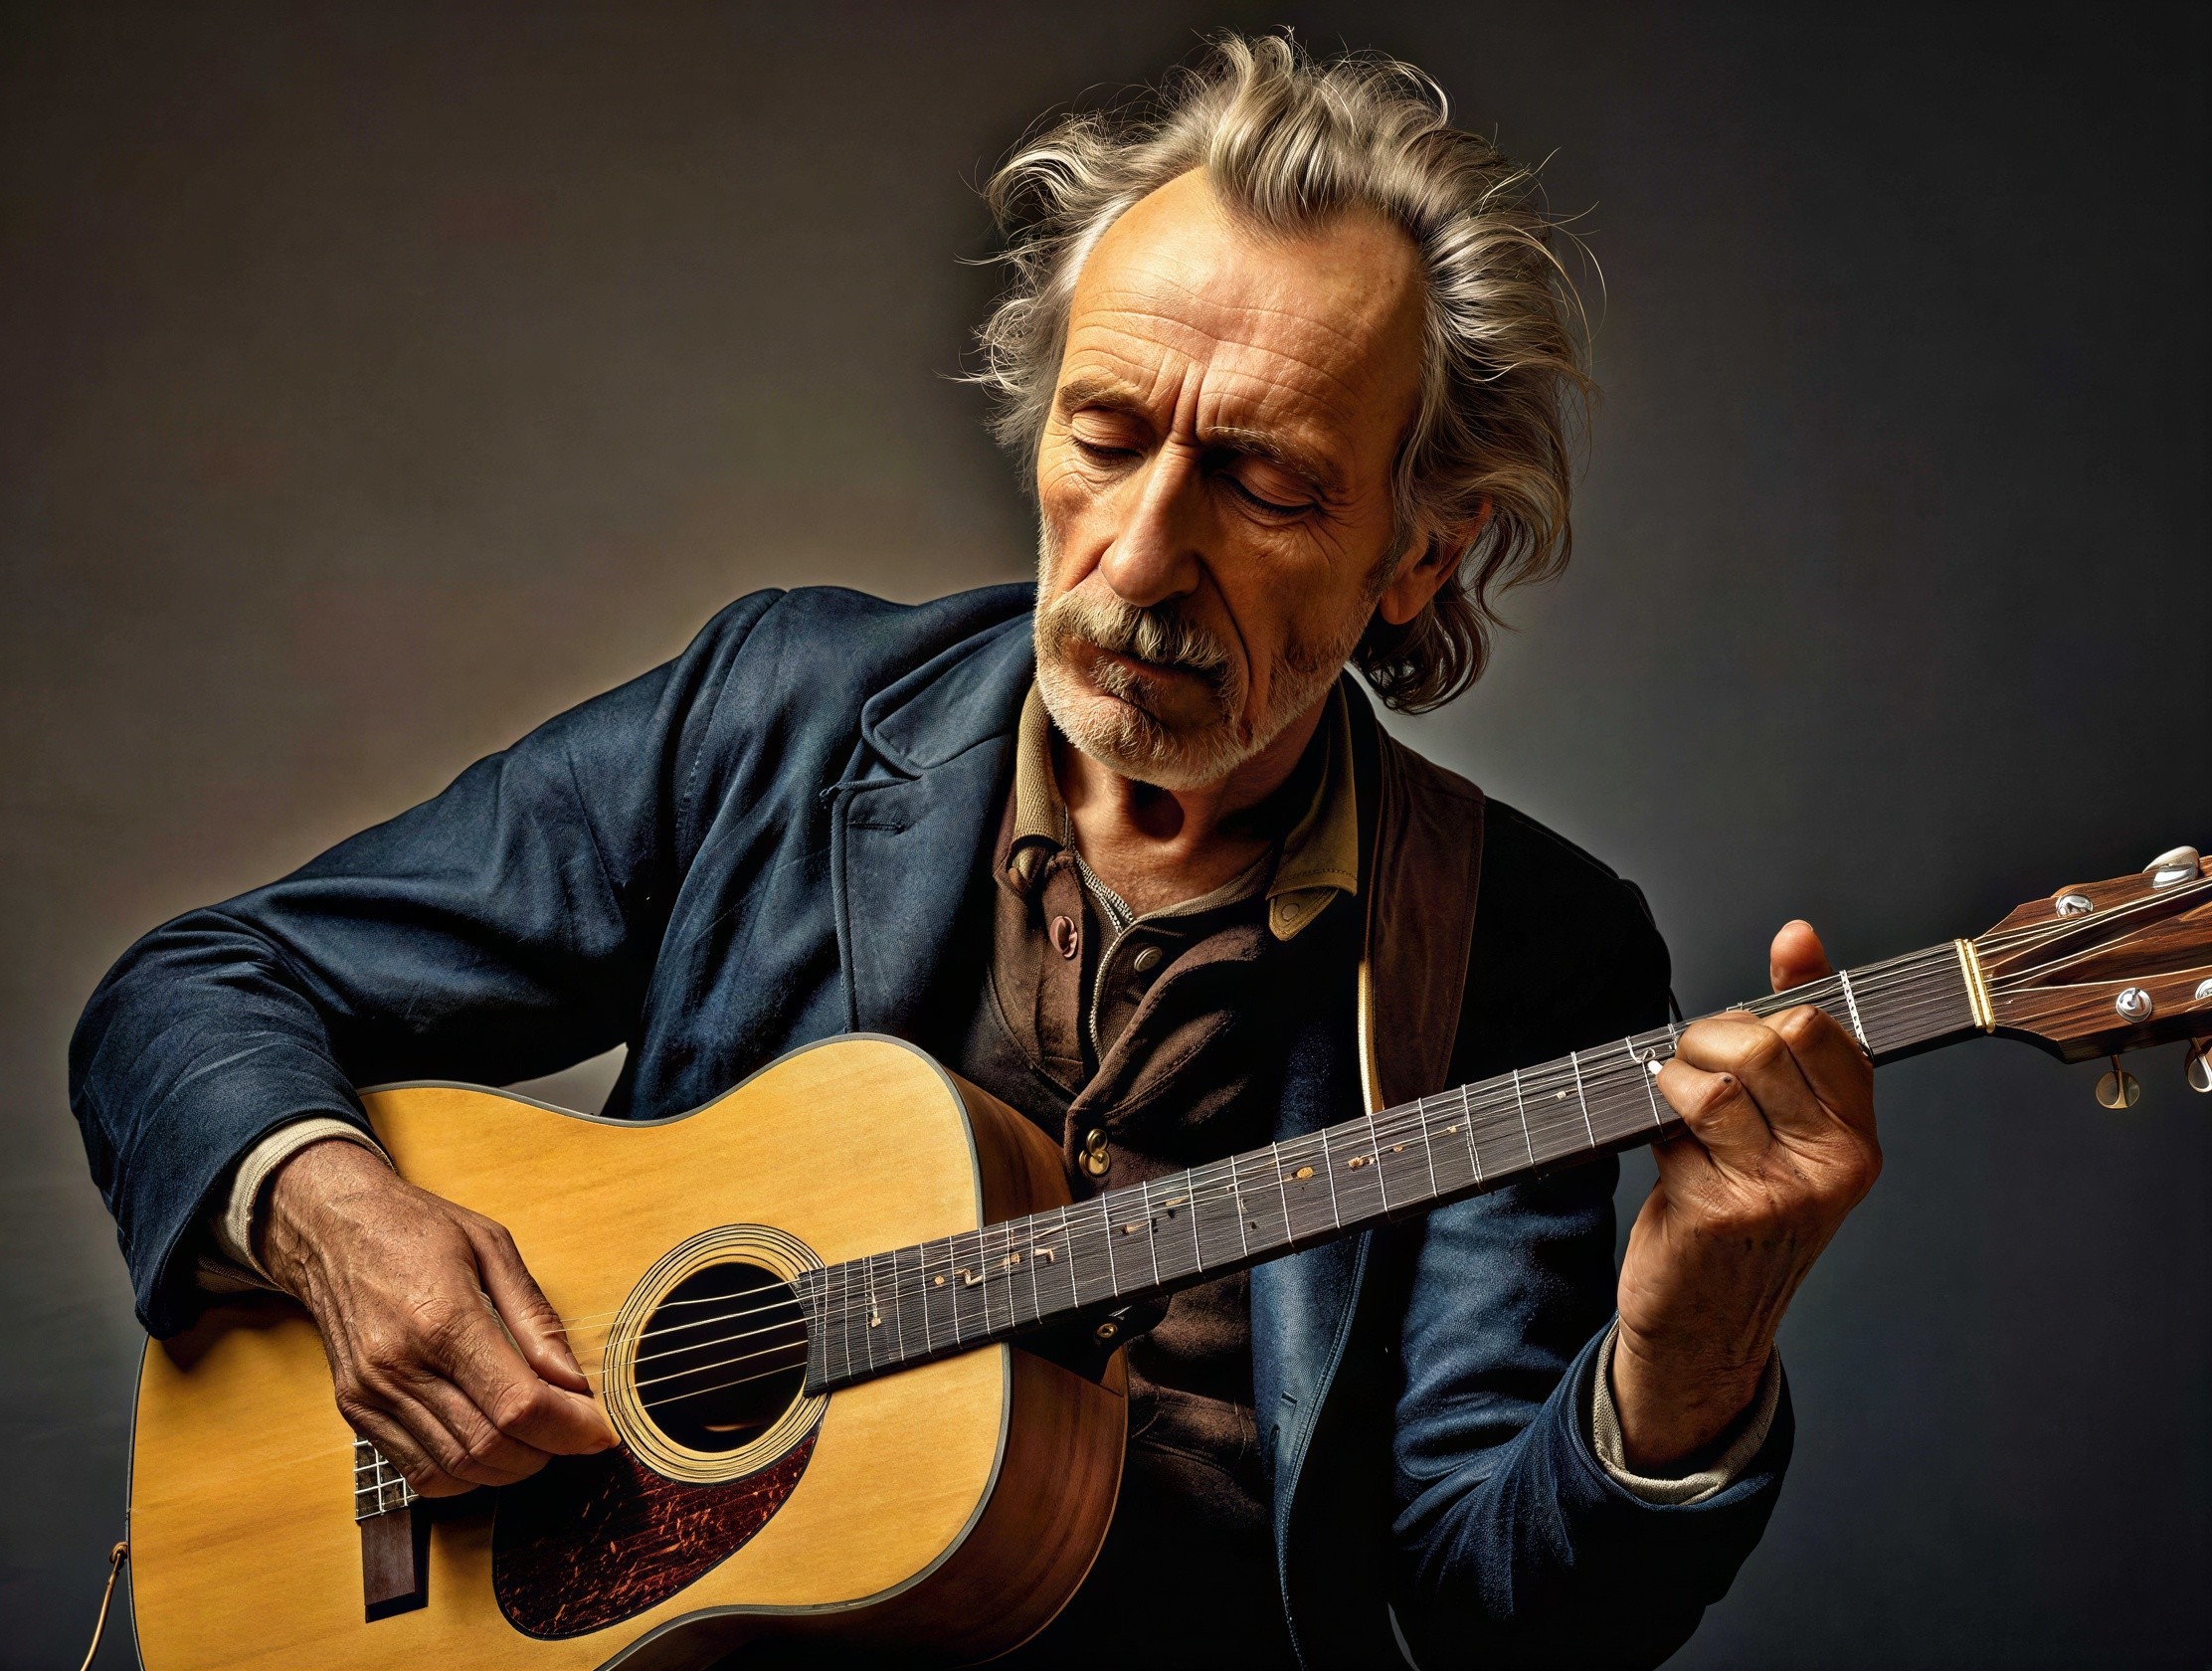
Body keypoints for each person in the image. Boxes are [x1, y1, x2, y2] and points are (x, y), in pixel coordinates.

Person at [71, 36, 1879, 1670]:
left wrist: (1686, 1362)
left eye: (1263, 483)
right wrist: (335, 1216)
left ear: (1417, 554)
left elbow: (1493, 1617)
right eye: (1106, 434)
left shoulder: (1519, 948)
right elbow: (196, 992)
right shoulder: (779, 715)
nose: (1141, 557)